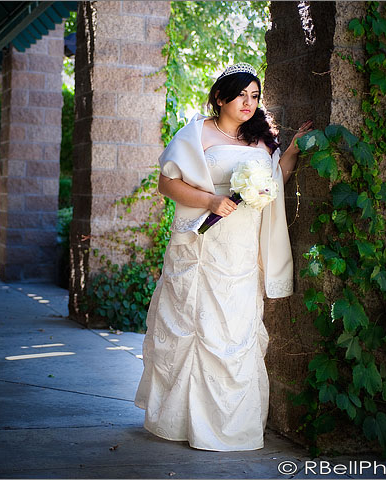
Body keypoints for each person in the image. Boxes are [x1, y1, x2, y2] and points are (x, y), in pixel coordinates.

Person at [134, 62, 313, 451]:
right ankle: (180, 423)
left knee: (235, 328)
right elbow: (167, 182)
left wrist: (293, 148)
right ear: (220, 97)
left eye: (254, 96)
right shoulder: (197, 132)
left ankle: (230, 426)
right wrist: (212, 200)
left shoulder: (262, 141)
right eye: (241, 95)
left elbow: (274, 181)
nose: (249, 103)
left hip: (241, 248)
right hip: (201, 245)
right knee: (193, 325)